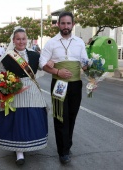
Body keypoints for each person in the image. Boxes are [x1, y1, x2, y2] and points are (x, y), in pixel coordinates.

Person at [0, 28, 48, 165]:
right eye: (18, 39)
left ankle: (29, 144)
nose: (21, 41)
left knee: (33, 118)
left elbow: (44, 66)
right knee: (16, 121)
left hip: (32, 91)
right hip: (15, 91)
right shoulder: (7, 57)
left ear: (27, 40)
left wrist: (54, 64)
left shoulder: (35, 55)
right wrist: (6, 87)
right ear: (13, 40)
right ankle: (19, 152)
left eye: (23, 39)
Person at [39, 11, 88, 164]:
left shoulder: (79, 42)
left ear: (73, 25)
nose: (66, 26)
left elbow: (85, 62)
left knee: (72, 116)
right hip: (59, 85)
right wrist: (57, 71)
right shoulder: (51, 42)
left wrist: (91, 69)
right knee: (61, 117)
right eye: (63, 23)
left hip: (75, 85)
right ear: (58, 24)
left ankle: (67, 144)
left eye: (68, 23)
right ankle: (63, 151)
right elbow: (41, 63)